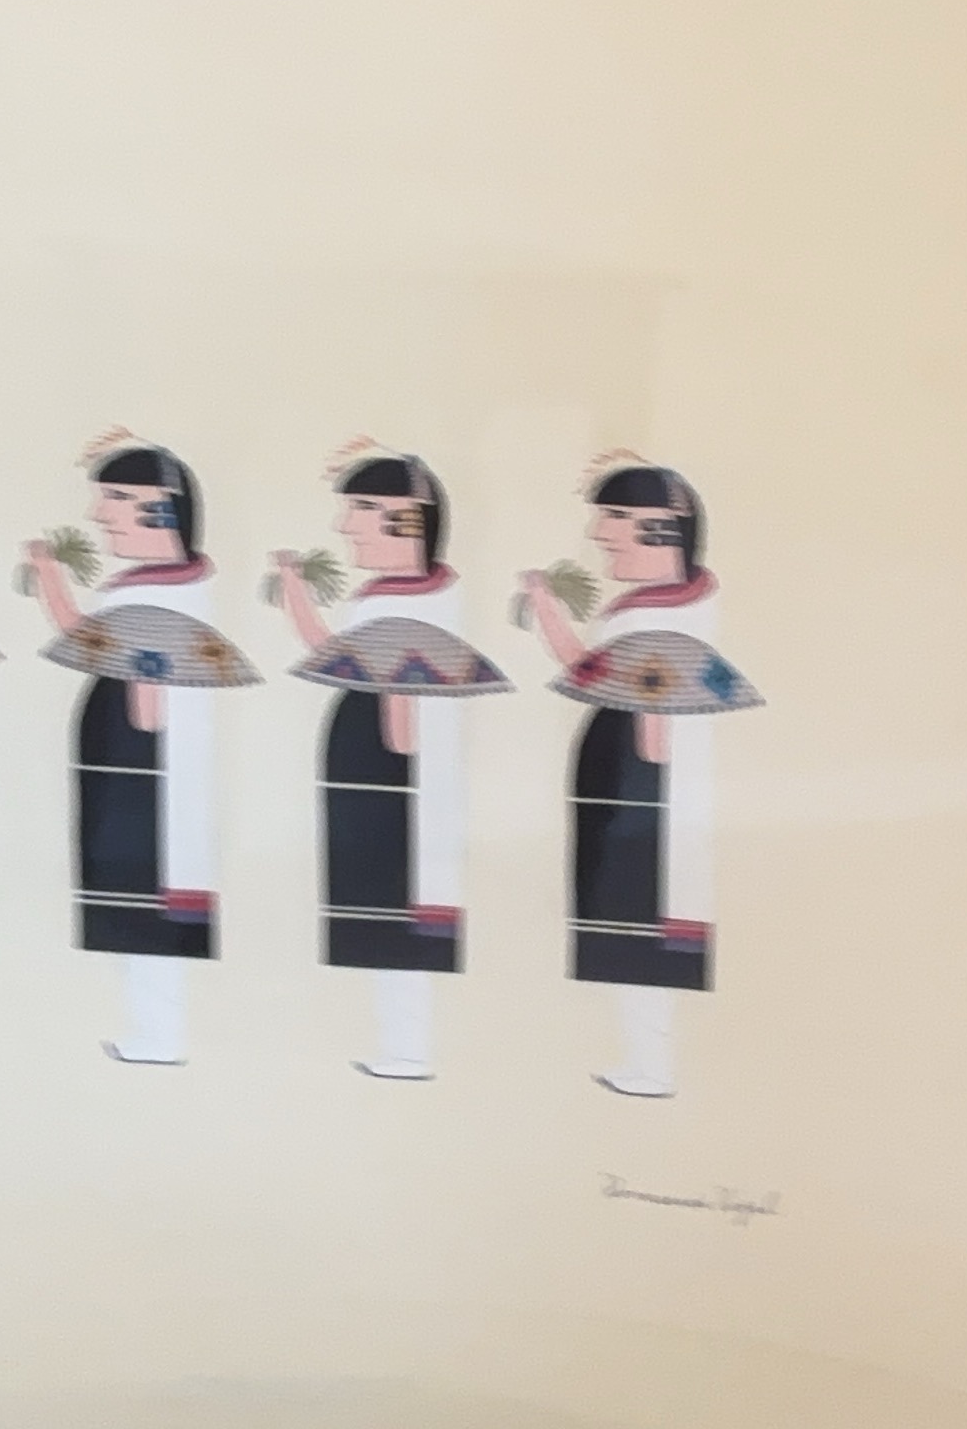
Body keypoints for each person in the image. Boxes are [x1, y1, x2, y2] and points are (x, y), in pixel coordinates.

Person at [520, 455, 760, 1098]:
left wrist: (644, 794)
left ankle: (654, 1066)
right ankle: (646, 1061)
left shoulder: (663, 614)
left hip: (641, 780)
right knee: (629, 923)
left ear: (663, 526)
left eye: (617, 517)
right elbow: (597, 670)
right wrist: (546, 606)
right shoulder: (665, 603)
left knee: (641, 919)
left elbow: (632, 698)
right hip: (632, 770)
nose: (600, 534)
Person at [272, 444, 507, 1079]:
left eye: (362, 509)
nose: (345, 525)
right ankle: (400, 1047)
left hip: (390, 773)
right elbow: (340, 653)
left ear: (407, 518)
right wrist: (295, 590)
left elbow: (395, 696)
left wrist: (396, 771)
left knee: (398, 912)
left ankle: (407, 1050)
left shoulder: (410, 601)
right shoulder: (401, 593)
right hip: (380, 764)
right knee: (384, 915)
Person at [25, 435, 258, 1066]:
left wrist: (50, 579)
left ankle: (159, 1036)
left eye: (117, 498)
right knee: (138, 909)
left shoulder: (157, 594)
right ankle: (151, 1032)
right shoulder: (161, 586)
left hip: (143, 776)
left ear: (161, 509)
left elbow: (136, 690)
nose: (100, 515)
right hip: (140, 769)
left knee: (146, 905)